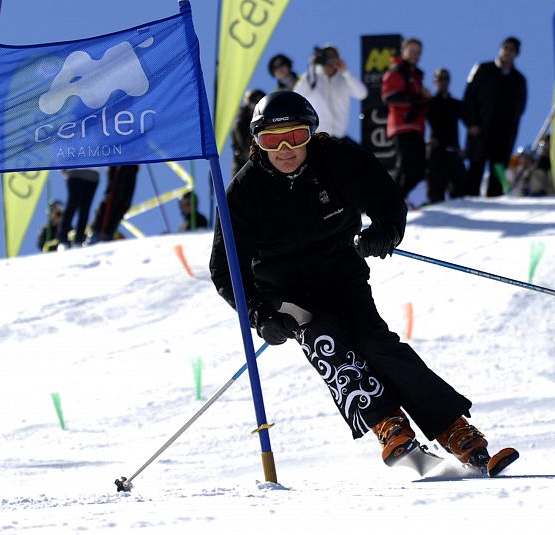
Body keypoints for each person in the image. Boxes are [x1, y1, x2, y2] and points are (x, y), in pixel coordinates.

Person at [209, 90, 516, 475]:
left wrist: (385, 231)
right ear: (257, 143)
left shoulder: (339, 160)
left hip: (341, 275)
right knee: (324, 337)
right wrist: (259, 314)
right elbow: (225, 269)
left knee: (375, 342)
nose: (285, 148)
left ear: (312, 135)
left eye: (296, 136)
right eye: (272, 140)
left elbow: (387, 201)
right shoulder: (245, 191)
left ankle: (456, 431)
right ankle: (388, 425)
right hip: (282, 290)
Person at [463, 36, 527, 198]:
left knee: (498, 168)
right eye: (505, 47)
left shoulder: (518, 80)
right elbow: (469, 98)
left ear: (516, 53)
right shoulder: (483, 70)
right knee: (476, 168)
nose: (507, 51)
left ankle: (495, 201)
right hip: (480, 130)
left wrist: (511, 130)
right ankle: (469, 202)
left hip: (503, 134)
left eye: (512, 49)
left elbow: (519, 108)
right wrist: (472, 123)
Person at [381, 37, 430, 200]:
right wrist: (416, 99)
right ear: (403, 51)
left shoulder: (416, 76)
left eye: (417, 52)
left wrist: (424, 99)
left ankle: (396, 199)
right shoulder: (396, 72)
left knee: (420, 168)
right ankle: (390, 201)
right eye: (411, 50)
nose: (414, 55)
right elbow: (389, 96)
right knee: (406, 166)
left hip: (416, 127)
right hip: (401, 126)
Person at [293, 44, 368, 143]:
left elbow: (362, 94)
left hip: (340, 139)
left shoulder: (344, 79)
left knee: (362, 156)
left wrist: (345, 72)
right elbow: (296, 96)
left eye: (333, 56)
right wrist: (311, 67)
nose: (329, 59)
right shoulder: (311, 78)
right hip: (317, 138)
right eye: (326, 56)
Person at [425, 68, 466, 203]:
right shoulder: (429, 103)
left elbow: (472, 123)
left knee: (461, 192)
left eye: (445, 78)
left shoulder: (456, 104)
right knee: (436, 193)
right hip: (436, 152)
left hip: (454, 151)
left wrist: (468, 150)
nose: (442, 81)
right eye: (439, 78)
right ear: (434, 81)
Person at [88, 164, 139, 243]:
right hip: (118, 162)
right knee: (114, 198)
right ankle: (98, 231)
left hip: (132, 164)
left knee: (125, 202)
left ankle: (108, 232)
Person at [59, 168, 99, 247]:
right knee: (73, 205)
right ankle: (63, 239)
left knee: (85, 209)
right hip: (76, 172)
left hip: (93, 175)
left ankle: (79, 239)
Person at [231, 89, 266, 177]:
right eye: (254, 102)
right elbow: (246, 148)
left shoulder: (268, 120)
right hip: (243, 168)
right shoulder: (241, 123)